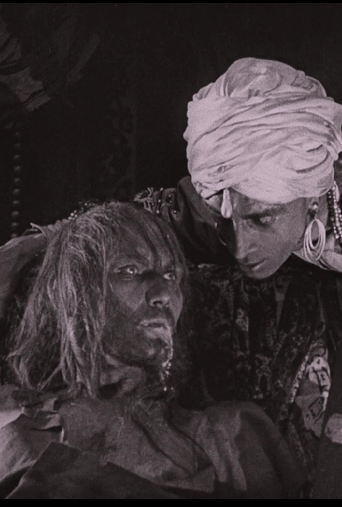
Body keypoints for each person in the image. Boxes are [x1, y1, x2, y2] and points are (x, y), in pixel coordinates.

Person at [3, 56, 342, 498]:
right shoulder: (244, 186)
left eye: (261, 222)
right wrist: (44, 248)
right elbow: (155, 222)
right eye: (227, 221)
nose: (241, 248)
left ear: (310, 190)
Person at [0, 202, 304, 499]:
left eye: (172, 276)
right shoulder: (16, 427)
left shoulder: (231, 439)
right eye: (130, 270)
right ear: (74, 293)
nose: (164, 294)